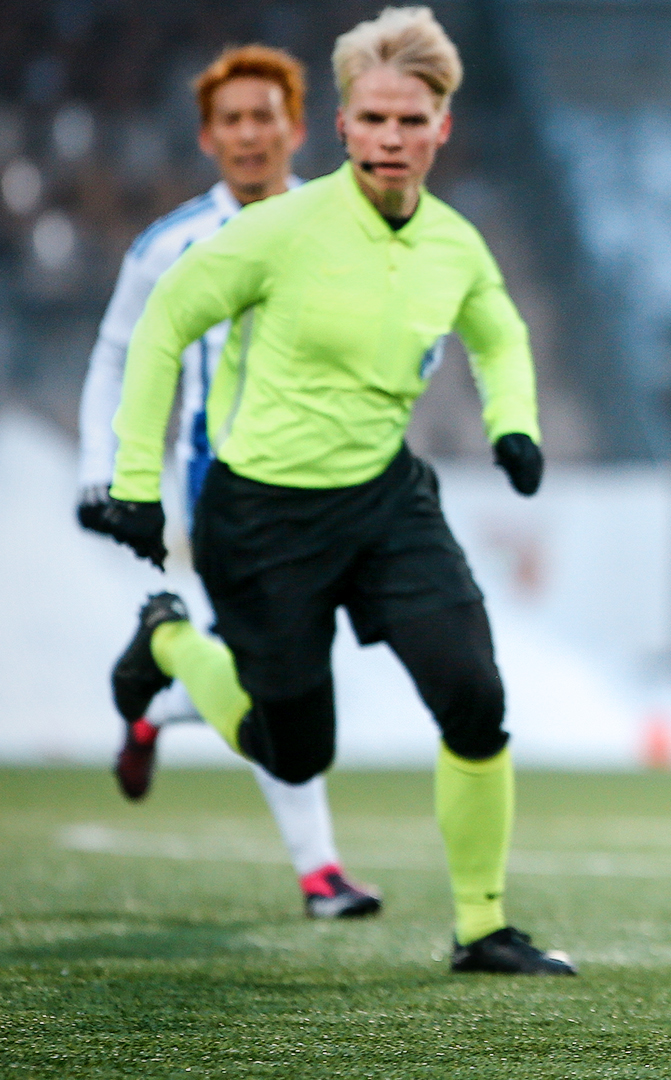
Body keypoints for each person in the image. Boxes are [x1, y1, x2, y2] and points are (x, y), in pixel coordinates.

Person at [93, 6, 572, 975]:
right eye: (373, 119)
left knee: (475, 697)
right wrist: (132, 482)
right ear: (344, 127)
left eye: (412, 120)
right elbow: (161, 324)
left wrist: (514, 423)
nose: (392, 139)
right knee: (293, 750)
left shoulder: (454, 244)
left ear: (443, 127)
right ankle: (169, 642)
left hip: (385, 503)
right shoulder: (282, 229)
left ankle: (482, 927)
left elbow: (500, 332)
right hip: (261, 517)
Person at [76, 44, 381, 921]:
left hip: (336, 486)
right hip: (228, 491)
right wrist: (103, 470)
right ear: (208, 138)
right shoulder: (167, 246)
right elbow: (115, 355)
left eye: (265, 117)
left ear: (296, 129)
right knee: (282, 677)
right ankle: (320, 871)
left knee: (279, 679)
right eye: (233, 120)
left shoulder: (346, 225)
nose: (251, 134)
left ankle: (158, 683)